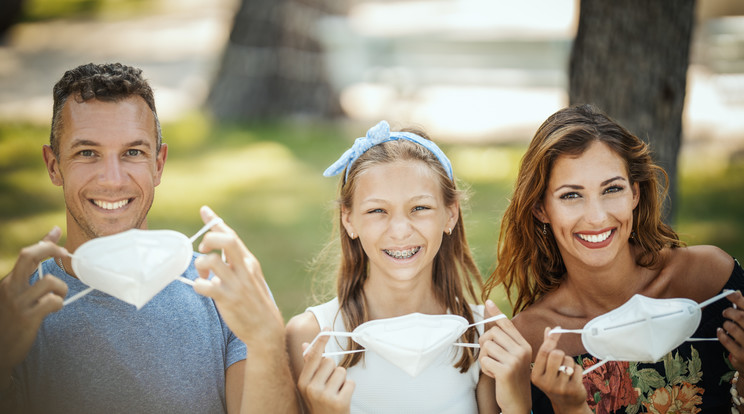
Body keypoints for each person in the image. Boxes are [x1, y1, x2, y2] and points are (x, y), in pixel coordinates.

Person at [0, 62, 298, 413]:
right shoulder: (16, 306)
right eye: (87, 153)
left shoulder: (222, 291)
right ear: (53, 165)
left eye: (133, 153)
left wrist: (267, 340)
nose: (112, 180)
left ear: (158, 164)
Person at [481, 104, 744, 413]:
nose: (597, 217)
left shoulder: (709, 279)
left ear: (634, 193)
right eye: (571, 195)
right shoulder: (529, 341)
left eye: (612, 189)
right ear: (541, 209)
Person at [285, 120, 532, 414]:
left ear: (450, 214)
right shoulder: (311, 339)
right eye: (378, 210)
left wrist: (518, 403)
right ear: (348, 219)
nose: (400, 231)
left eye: (420, 208)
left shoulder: (482, 336)